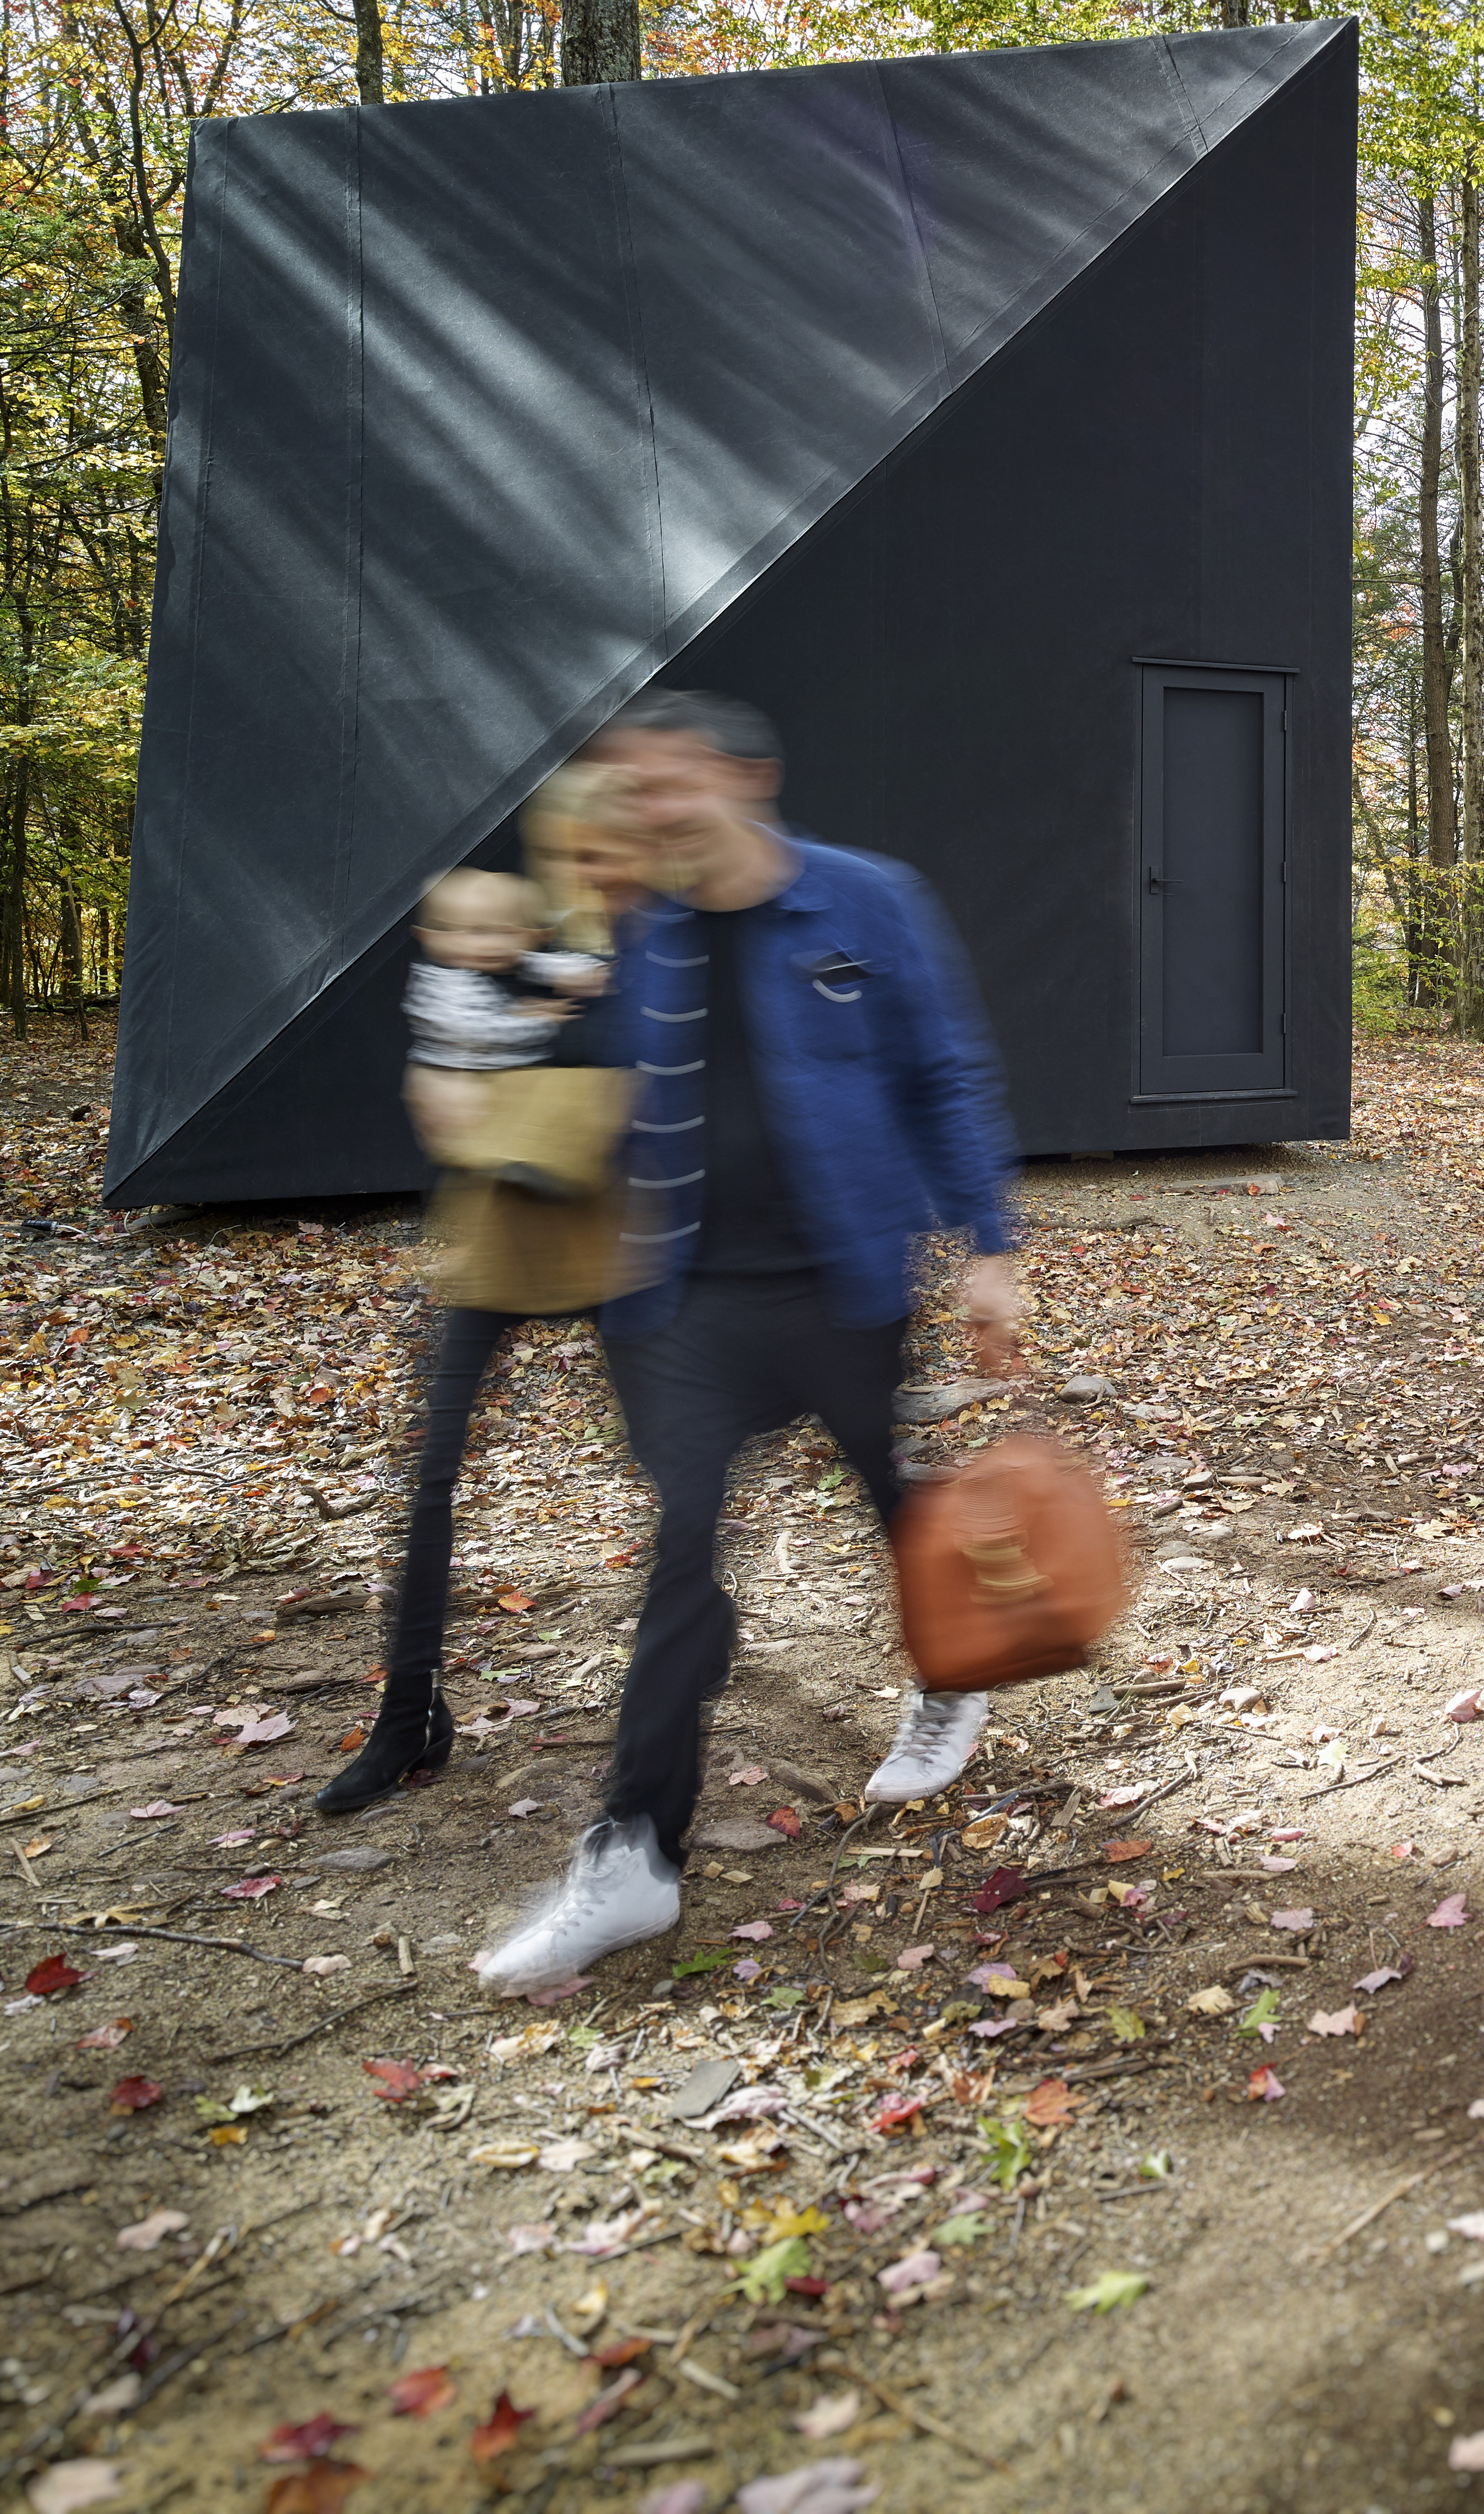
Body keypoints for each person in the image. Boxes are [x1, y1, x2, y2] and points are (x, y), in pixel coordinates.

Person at [474, 687, 1030, 1995]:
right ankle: (631, 1855)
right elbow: (556, 1091)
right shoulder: (630, 927)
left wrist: (989, 1247)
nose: (649, 810)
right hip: (679, 1296)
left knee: (892, 1495)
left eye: (669, 784)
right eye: (629, 790)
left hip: (842, 1279)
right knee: (681, 1555)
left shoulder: (863, 900)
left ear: (746, 776)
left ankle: (954, 1669)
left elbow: (941, 1068)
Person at [320, 774, 652, 1819]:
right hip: (494, 1233)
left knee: (669, 1466)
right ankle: (408, 1715)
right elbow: (450, 1076)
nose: (589, 864)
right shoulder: (507, 941)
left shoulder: (662, 955)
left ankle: (691, 1652)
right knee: (428, 1477)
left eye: (608, 846)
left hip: (611, 1238)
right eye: (573, 845)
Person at [399, 865, 605, 1179]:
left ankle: (530, 1167)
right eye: (469, 931)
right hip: (460, 1074)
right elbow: (468, 1028)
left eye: (504, 931)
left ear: (533, 935)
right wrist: (536, 1020)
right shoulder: (440, 980)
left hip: (510, 1074)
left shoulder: (511, 959)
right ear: (428, 936)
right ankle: (489, 1163)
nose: (486, 945)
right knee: (461, 1101)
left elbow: (541, 963)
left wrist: (586, 973)